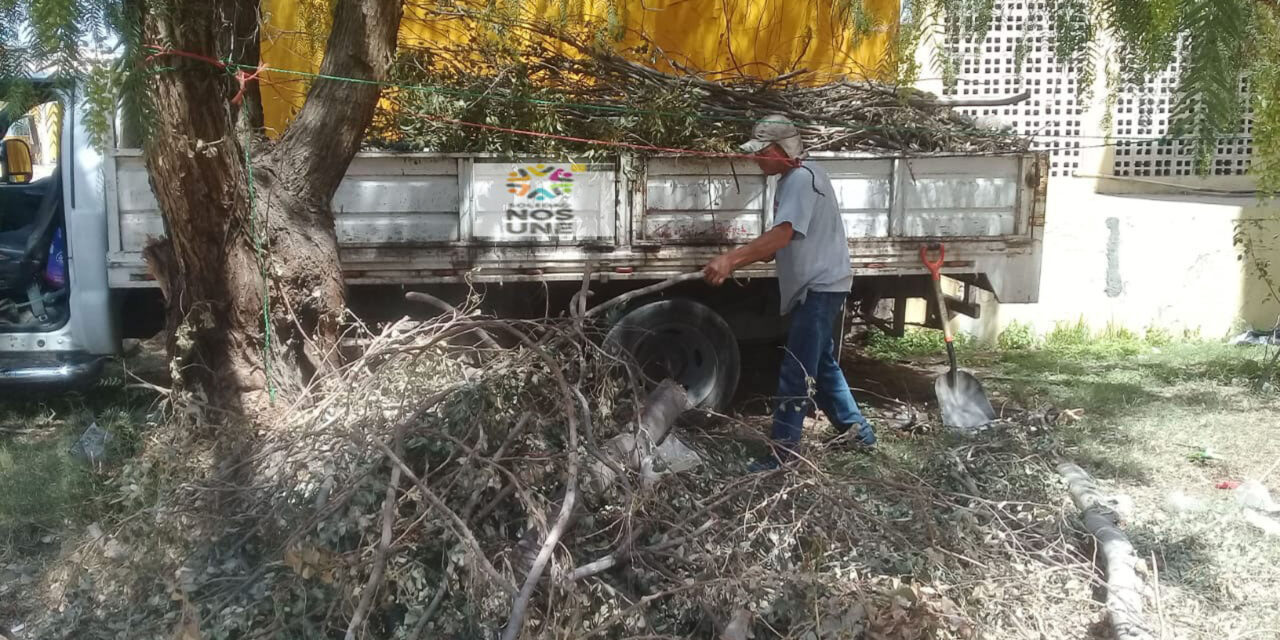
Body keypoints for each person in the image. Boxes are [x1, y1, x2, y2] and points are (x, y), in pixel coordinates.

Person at [702, 114, 876, 471]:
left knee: (797, 370)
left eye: (761, 152)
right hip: (817, 288)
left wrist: (731, 260)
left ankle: (784, 455)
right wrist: (732, 262)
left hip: (821, 288)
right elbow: (780, 241)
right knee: (821, 366)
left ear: (782, 150)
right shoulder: (794, 178)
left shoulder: (801, 179)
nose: (755, 159)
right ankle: (859, 433)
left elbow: (782, 235)